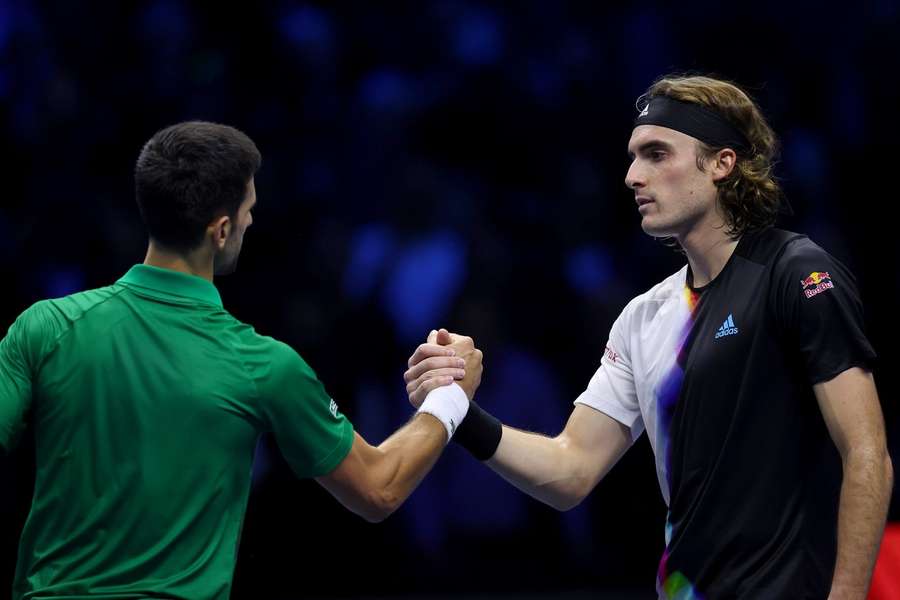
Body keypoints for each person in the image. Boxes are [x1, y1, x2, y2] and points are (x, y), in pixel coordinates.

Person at [405, 75, 893, 599]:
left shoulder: (797, 273)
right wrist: (458, 410)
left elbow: (867, 453)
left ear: (722, 164)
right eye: (634, 156)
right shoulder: (642, 317)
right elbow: (571, 471)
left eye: (657, 154)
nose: (633, 176)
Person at [0, 121, 482, 600]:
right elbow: (379, 488)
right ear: (223, 228)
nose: (252, 221)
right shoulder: (262, 364)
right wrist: (450, 396)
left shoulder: (44, 326)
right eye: (249, 208)